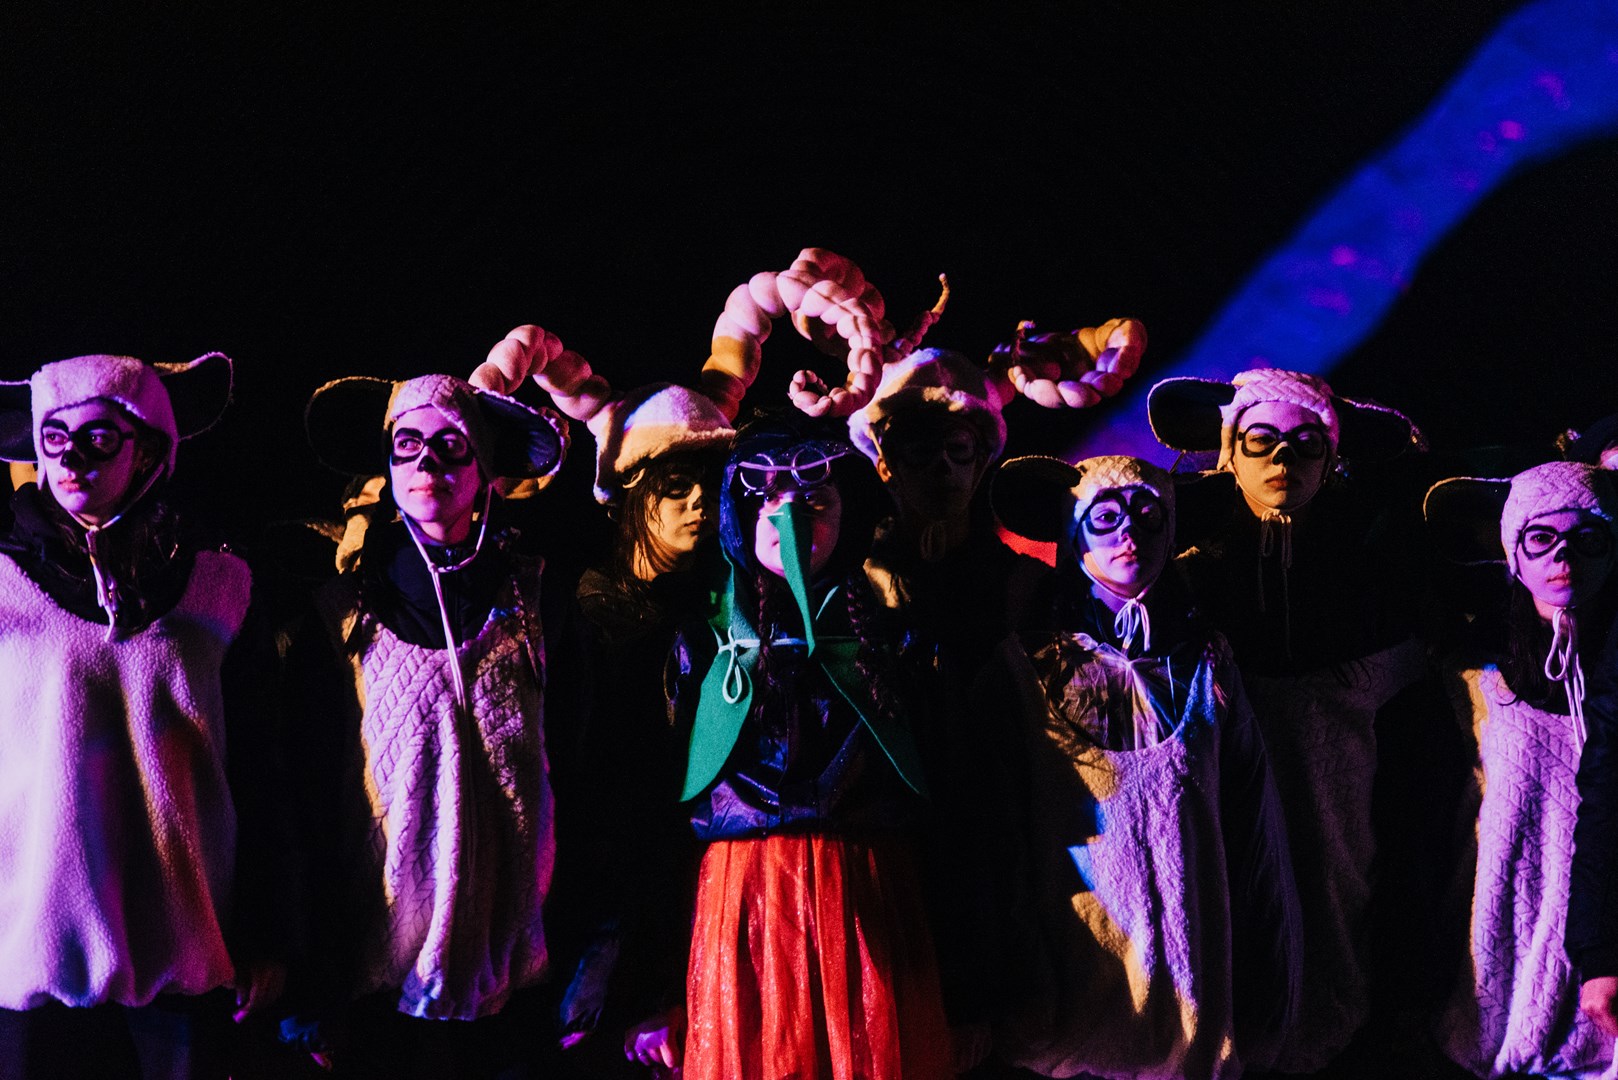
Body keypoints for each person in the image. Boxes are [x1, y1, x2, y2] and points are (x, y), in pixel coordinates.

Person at [1147, 367, 1447, 1074]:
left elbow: (1410, 685)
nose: (1284, 458)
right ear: (1229, 454)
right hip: (1226, 780)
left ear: (1332, 458)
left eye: (1306, 443)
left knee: (1337, 899)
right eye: (1262, 440)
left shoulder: (1372, 565)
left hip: (1341, 786)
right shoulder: (1187, 567)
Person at [0, 352, 289, 1080]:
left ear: (150, 450)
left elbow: (262, 763)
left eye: (99, 437)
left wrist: (268, 928)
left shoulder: (219, 585)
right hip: (32, 957)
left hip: (182, 953)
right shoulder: (3, 581)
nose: (73, 459)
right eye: (55, 437)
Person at [284, 372, 572, 1079]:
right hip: (381, 973)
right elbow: (305, 794)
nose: (427, 463)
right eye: (407, 444)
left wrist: (593, 952)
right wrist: (313, 974)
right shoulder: (343, 614)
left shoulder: (540, 604)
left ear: (484, 465)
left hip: (514, 974)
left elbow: (585, 771)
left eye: (450, 445)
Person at [982, 453, 1299, 1079]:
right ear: (1073, 532)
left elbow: (1252, 821)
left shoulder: (1206, 661)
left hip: (1193, 980)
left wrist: (1265, 980)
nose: (1130, 532)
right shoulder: (1026, 666)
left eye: (1149, 516)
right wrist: (1018, 980)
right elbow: (999, 833)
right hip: (1076, 976)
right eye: (1106, 517)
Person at [669, 412, 954, 1079]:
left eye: (816, 500)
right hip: (742, 899)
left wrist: (968, 992)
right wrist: (649, 986)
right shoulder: (705, 644)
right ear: (741, 514)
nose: (791, 516)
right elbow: (652, 812)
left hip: (866, 897)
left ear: (847, 517)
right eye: (769, 497)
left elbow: (953, 805)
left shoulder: (894, 644)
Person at [1425, 461, 1617, 1078]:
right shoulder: (1475, 666)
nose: (1564, 556)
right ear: (1514, 551)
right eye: (1542, 538)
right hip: (1503, 895)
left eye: (1587, 539)